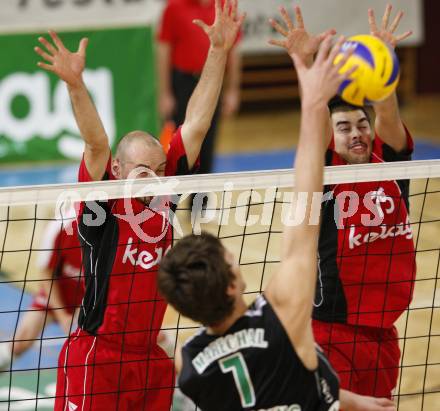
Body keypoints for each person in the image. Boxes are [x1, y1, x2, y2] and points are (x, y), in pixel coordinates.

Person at [158, 19, 396, 410]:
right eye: (229, 260)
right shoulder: (282, 315)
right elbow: (305, 208)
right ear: (232, 286)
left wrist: (352, 402)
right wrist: (314, 101)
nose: (234, 258)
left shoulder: (190, 369)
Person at [33, 0, 244, 409]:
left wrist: (217, 52)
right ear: (117, 168)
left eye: (159, 169)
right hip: (97, 357)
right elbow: (96, 143)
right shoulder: (102, 207)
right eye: (141, 170)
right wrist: (76, 85)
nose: (152, 178)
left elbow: (197, 122)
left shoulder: (163, 196)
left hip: (151, 358)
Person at [271, 4, 415, 398]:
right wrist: (304, 63)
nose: (357, 133)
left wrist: (382, 66)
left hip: (384, 334)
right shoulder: (325, 174)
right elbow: (313, 121)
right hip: (334, 331)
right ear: (330, 138)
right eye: (344, 127)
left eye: (362, 125)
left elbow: (387, 113)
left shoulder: (390, 165)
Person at [157, 0, 242, 176]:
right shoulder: (174, 7)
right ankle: (173, 199)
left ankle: (199, 201)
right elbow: (163, 50)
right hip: (182, 83)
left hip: (213, 82)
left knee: (207, 143)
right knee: (178, 145)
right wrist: (165, 93)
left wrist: (232, 90)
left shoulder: (225, 6)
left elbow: (233, 50)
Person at [0, 210, 83, 371]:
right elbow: (45, 274)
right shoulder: (62, 224)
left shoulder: (112, 227)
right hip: (57, 292)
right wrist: (63, 315)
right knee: (20, 342)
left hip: (92, 298)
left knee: (87, 349)